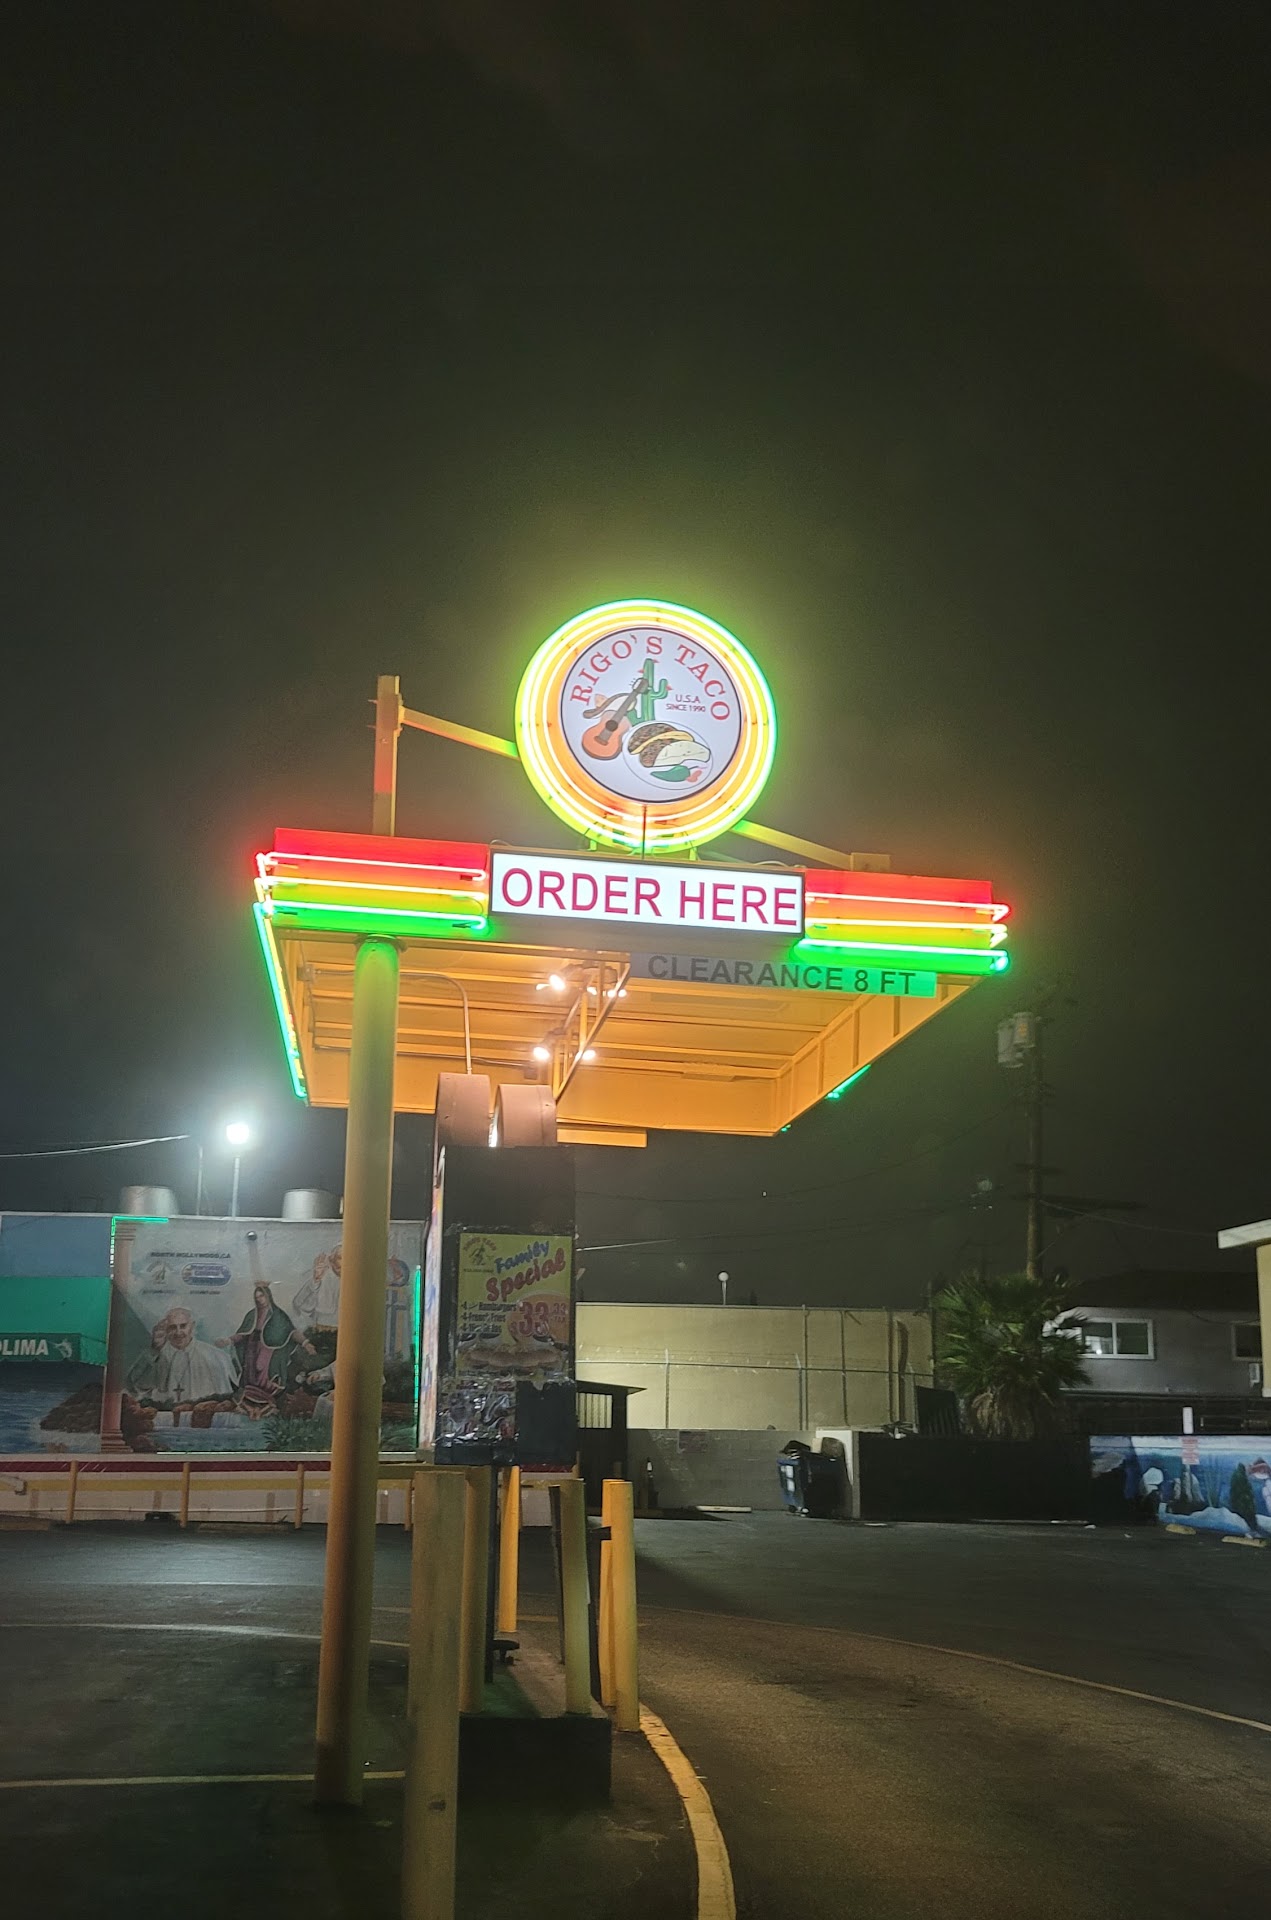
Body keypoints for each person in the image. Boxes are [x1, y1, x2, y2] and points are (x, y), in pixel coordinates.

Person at [223, 1282, 314, 1400]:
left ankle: (267, 1396)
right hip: (252, 1347)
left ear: (268, 1296)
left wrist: (305, 1343)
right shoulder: (252, 1314)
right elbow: (243, 1334)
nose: (259, 1300)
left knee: (260, 1367)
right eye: (257, 1297)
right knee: (250, 1371)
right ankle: (251, 1396)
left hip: (268, 1348)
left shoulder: (278, 1315)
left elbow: (291, 1332)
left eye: (261, 1296)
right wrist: (229, 1340)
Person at [151, 1307, 238, 1405]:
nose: (178, 1332)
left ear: (192, 1326)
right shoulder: (158, 1355)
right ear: (166, 1330)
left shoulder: (215, 1356)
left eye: (183, 1326)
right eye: (173, 1327)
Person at [126, 1318, 171, 1397]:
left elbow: (163, 1386)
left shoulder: (165, 1360)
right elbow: (132, 1378)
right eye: (156, 1336)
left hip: (155, 1396)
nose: (157, 1340)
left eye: (161, 1336)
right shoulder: (146, 1356)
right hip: (139, 1394)